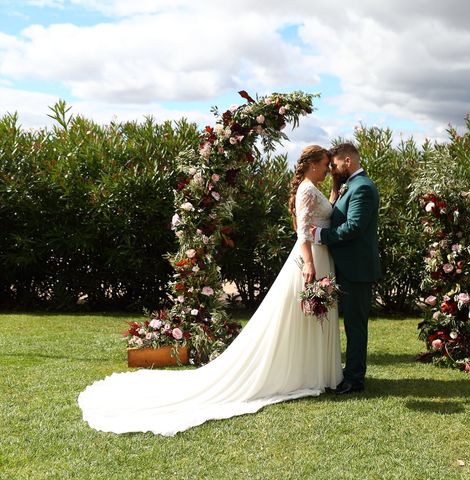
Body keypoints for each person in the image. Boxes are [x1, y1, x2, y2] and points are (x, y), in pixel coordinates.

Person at [78, 145, 342, 436]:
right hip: (311, 258)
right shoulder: (306, 189)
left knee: (310, 316)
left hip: (320, 255)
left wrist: (334, 192)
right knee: (302, 315)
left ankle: (313, 371)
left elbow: (323, 215)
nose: (329, 169)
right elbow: (302, 230)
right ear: (313, 164)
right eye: (326, 164)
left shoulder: (312, 188)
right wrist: (307, 263)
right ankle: (302, 373)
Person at [310, 143, 381, 395]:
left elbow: (354, 227)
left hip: (357, 269)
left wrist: (321, 235)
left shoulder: (362, 188)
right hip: (347, 267)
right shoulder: (349, 186)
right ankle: (348, 373)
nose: (332, 169)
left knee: (355, 325)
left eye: (335, 164)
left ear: (348, 161)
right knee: (351, 324)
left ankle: (355, 379)